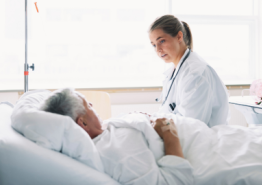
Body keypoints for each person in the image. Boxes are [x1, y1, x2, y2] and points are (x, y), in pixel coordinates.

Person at [41, 88, 194, 185]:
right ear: (83, 123)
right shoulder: (117, 153)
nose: (93, 105)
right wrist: (169, 132)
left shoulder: (105, 129)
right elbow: (177, 181)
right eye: (88, 105)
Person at [149, 15, 230, 127]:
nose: (158, 49)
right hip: (181, 135)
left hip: (201, 139)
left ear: (179, 37)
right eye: (153, 45)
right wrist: (150, 118)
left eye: (162, 41)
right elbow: (168, 112)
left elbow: (190, 125)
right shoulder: (175, 71)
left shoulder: (195, 74)